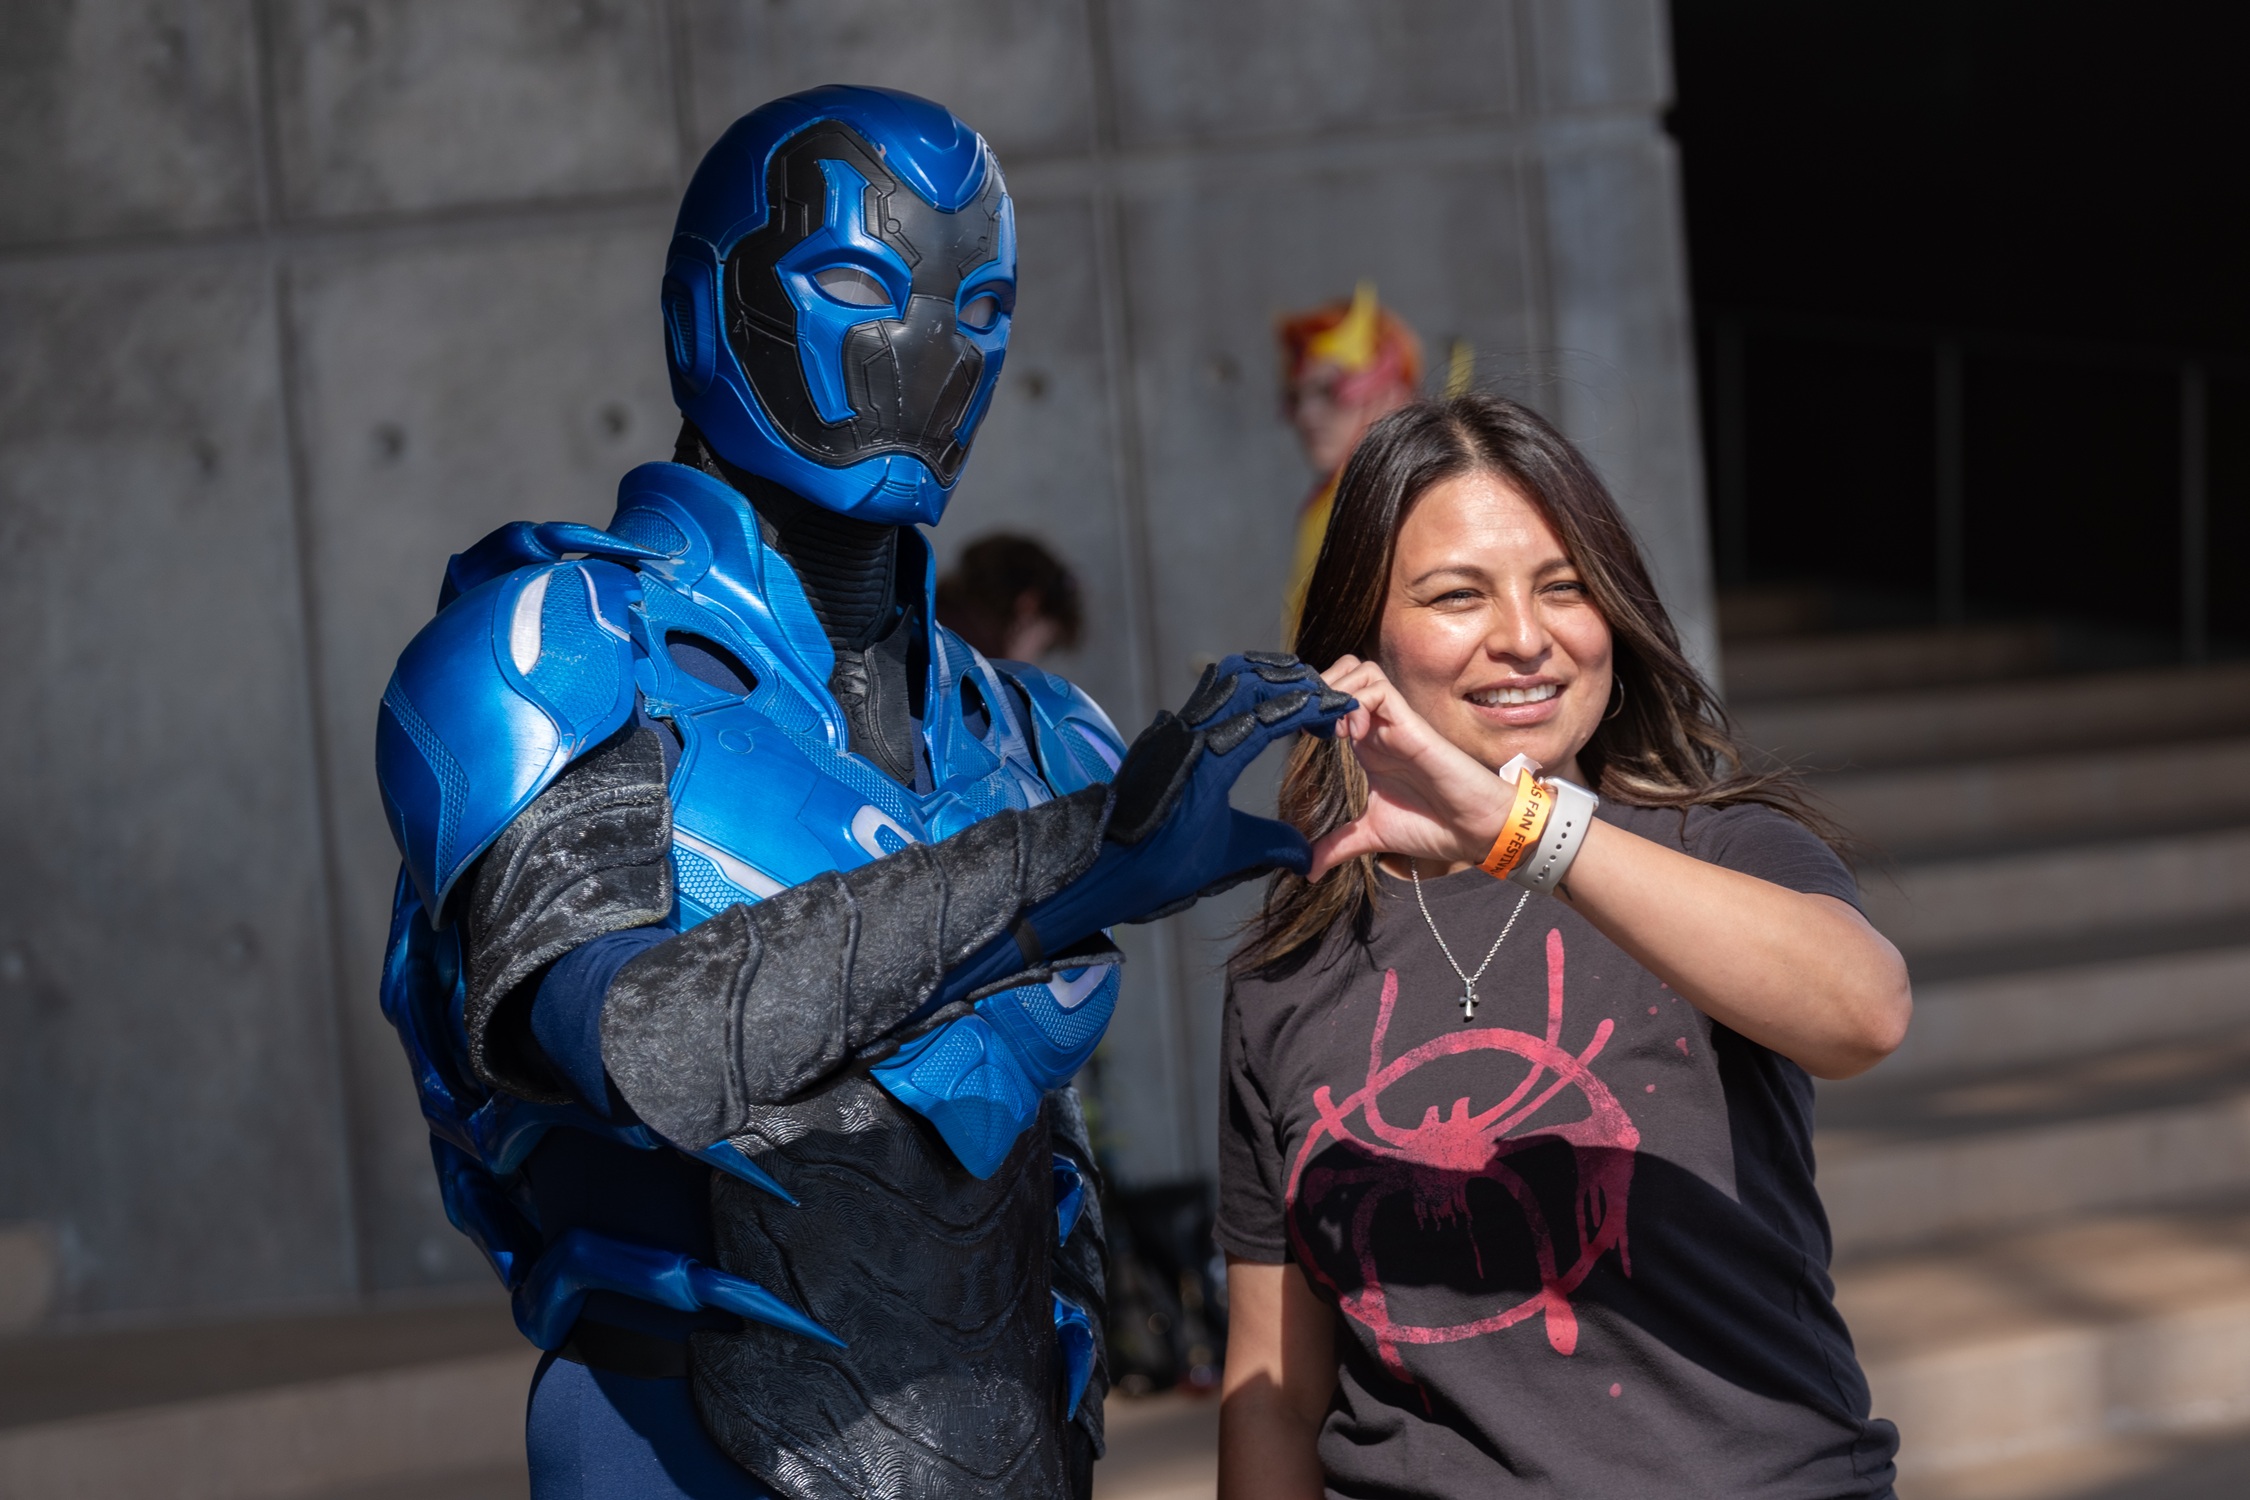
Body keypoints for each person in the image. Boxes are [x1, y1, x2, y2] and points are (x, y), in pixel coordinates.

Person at [374, 85, 1350, 1500]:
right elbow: (638, 1046)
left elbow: (1025, 1167)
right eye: (856, 283)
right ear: (710, 304)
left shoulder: (1033, 731)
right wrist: (1067, 870)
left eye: (982, 309)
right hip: (684, 1445)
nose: (926, 356)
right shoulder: (554, 657)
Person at [1215, 394, 1913, 1498]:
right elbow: (1276, 1392)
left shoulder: (1716, 848)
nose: (1526, 638)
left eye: (1564, 586)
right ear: (1364, 639)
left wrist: (1519, 828)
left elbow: (1864, 1013)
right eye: (1458, 596)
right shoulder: (1287, 966)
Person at [1277, 283, 1424, 634]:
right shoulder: (1328, 500)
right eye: (1297, 396)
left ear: (1392, 394)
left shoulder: (1412, 500)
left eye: (1331, 392)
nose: (1307, 415)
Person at [936, 531, 1084, 665]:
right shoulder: (977, 667)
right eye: (1043, 646)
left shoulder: (929, 612)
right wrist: (1015, 664)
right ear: (1028, 604)